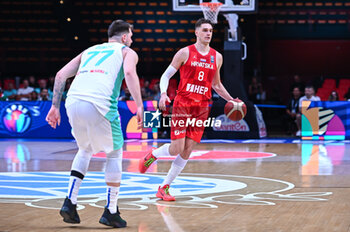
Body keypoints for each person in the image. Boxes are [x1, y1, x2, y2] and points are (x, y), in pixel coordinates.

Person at [46, 19, 143, 228]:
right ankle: (111, 210)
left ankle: (69, 203)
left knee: (84, 149)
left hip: (72, 102)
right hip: (99, 103)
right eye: (131, 37)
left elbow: (61, 74)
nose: (132, 41)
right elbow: (129, 73)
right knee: (115, 153)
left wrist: (54, 107)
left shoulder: (90, 50)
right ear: (125, 37)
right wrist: (140, 105)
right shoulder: (127, 52)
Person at [139, 18, 234, 201]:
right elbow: (165, 75)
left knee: (187, 150)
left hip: (202, 107)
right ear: (196, 32)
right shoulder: (184, 52)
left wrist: (232, 100)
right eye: (205, 30)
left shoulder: (217, 57)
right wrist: (163, 93)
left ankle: (164, 187)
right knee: (176, 148)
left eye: (211, 31)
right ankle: (153, 155)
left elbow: (217, 85)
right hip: (183, 104)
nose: (208, 33)